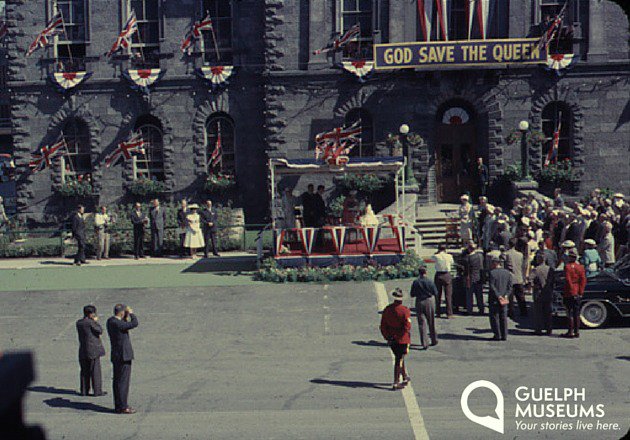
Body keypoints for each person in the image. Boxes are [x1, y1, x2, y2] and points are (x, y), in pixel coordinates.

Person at [107, 304, 138, 414]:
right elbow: (134, 324)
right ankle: (123, 406)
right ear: (121, 312)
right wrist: (131, 314)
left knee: (117, 381)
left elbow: (124, 324)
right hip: (123, 355)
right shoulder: (117, 323)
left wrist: (125, 316)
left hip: (116, 355)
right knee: (123, 382)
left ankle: (119, 405)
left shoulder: (111, 321)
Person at [379, 288, 411, 390]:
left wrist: (387, 336)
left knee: (400, 357)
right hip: (401, 339)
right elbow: (407, 326)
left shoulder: (387, 309)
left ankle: (404, 375)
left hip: (391, 337)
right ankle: (396, 381)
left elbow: (383, 325)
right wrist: (400, 336)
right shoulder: (404, 311)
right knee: (399, 359)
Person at [76, 305, 106, 396]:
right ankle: (97, 391)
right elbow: (99, 330)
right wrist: (95, 321)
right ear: (91, 314)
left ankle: (84, 390)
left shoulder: (79, 322)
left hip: (83, 349)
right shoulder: (91, 323)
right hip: (93, 350)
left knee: (84, 371)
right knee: (95, 371)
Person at [409, 267, 438, 349]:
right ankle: (434, 339)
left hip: (419, 301)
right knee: (431, 321)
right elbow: (435, 292)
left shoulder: (416, 282)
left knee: (421, 323)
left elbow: (412, 294)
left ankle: (424, 343)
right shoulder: (430, 281)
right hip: (429, 300)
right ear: (426, 272)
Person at [562, 249, 586, 338]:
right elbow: (583, 280)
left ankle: (570, 331)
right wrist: (580, 291)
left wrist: (571, 290)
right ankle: (577, 331)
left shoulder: (567, 267)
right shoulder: (581, 267)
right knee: (576, 312)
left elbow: (568, 280)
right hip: (577, 290)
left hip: (569, 291)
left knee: (569, 312)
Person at [488, 255, 512, 341]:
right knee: (503, 317)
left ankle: (497, 335)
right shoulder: (507, 273)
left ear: (495, 263)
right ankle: (504, 335)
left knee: (495, 317)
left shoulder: (492, 273)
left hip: (495, 299)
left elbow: (492, 286)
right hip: (504, 299)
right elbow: (510, 287)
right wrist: (506, 295)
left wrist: (498, 296)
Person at [530, 253, 554, 336]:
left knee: (538, 312)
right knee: (548, 312)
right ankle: (549, 329)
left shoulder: (536, 269)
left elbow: (530, 281)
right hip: (548, 293)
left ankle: (538, 329)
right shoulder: (550, 269)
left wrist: (533, 286)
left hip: (538, 293)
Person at [504, 238, 527, 318]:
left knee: (510, 297)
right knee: (520, 296)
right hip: (519, 276)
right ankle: (523, 311)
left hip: (510, 277)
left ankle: (511, 312)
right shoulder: (520, 254)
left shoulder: (506, 254)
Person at [463, 241, 485, 315]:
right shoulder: (480, 256)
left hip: (470, 278)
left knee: (469, 296)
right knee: (479, 295)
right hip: (478, 277)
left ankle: (470, 310)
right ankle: (481, 309)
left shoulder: (468, 258)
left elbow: (466, 269)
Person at [434, 244, 454, 318]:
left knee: (437, 294)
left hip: (438, 274)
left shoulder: (436, 256)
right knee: (448, 295)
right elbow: (452, 262)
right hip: (447, 274)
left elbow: (432, 258)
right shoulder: (449, 256)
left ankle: (438, 312)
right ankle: (449, 313)